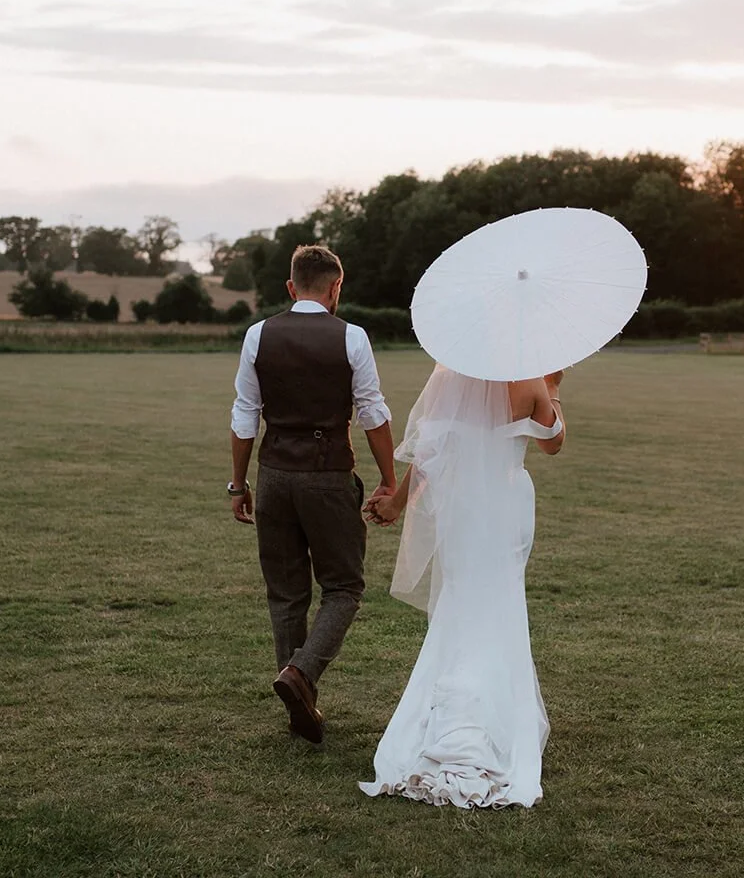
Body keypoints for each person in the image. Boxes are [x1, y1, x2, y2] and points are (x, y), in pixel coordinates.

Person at [357, 364, 564, 808]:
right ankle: (484, 722)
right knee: (499, 607)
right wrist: (553, 388)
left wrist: (397, 502)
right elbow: (552, 443)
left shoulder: (452, 378)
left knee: (462, 606)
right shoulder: (529, 381)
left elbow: (431, 452)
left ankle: (452, 712)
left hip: (463, 512)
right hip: (506, 509)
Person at [227, 244, 397, 744]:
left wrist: (239, 484)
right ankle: (301, 677)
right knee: (344, 587)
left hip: (275, 473)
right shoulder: (353, 337)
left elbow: (244, 414)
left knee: (286, 593)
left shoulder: (259, 334)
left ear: (290, 286)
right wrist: (388, 478)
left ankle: (299, 702)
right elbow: (373, 412)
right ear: (336, 287)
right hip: (328, 476)